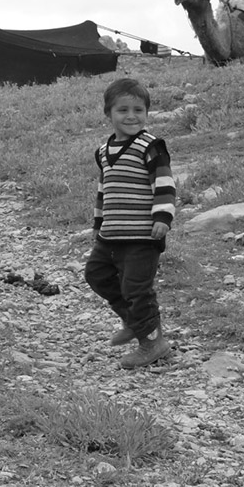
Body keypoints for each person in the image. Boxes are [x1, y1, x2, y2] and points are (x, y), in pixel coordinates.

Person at [85, 77, 176, 369]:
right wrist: (99, 222)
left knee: (138, 288)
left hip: (142, 236)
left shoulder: (151, 146)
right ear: (108, 114)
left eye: (138, 110)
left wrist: (162, 217)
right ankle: (133, 320)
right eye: (123, 110)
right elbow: (104, 189)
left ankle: (152, 343)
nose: (131, 116)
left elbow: (164, 183)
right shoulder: (103, 151)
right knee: (96, 275)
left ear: (147, 113)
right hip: (111, 235)